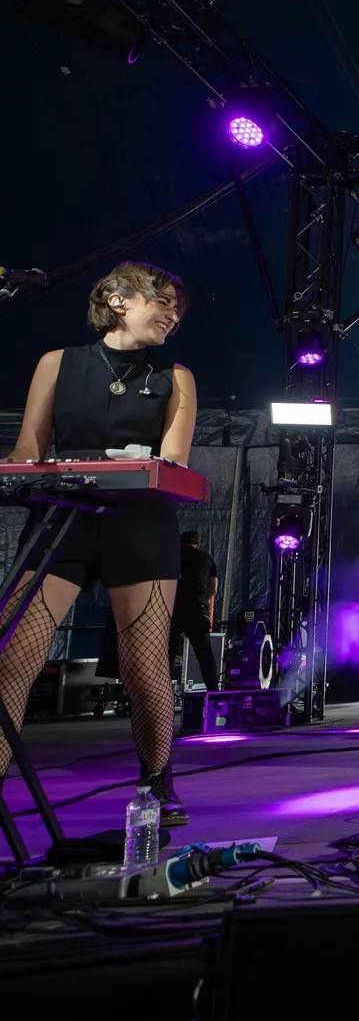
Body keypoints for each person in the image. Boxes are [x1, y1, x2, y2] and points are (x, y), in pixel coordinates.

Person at [0, 262, 196, 825]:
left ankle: (157, 782)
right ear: (117, 300)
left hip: (140, 521)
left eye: (177, 307)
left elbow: (174, 462)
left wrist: (145, 464)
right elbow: (26, 450)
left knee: (142, 663)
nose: (172, 314)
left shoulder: (175, 375)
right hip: (62, 518)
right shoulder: (57, 364)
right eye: (163, 301)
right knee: (15, 654)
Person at [172, 530, 219, 690]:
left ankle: (161, 693)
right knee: (204, 653)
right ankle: (214, 692)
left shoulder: (172, 556)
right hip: (198, 608)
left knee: (166, 653)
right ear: (198, 544)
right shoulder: (207, 558)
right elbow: (212, 589)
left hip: (174, 608)